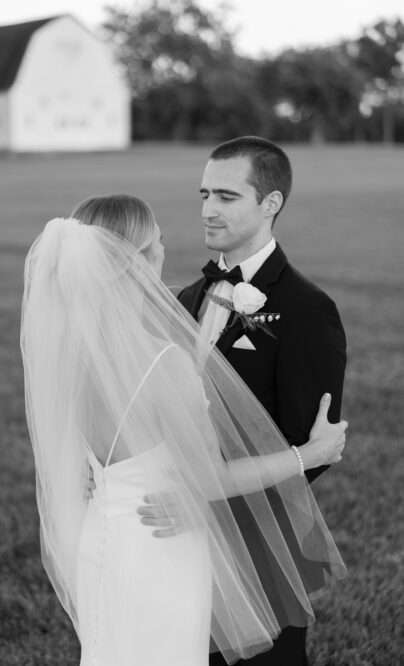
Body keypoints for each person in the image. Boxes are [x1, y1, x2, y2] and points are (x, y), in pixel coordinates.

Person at [20, 194, 347, 666]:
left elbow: (75, 461)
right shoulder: (162, 362)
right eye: (158, 243)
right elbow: (210, 479)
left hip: (102, 541)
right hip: (161, 545)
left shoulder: (68, 356)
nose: (165, 253)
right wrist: (311, 454)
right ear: (135, 263)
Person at [140, 137, 347, 665]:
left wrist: (209, 500)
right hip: (178, 533)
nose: (209, 209)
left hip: (262, 539)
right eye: (204, 194)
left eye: (227, 197)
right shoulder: (186, 298)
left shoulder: (307, 309)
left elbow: (310, 447)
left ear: (270, 203)